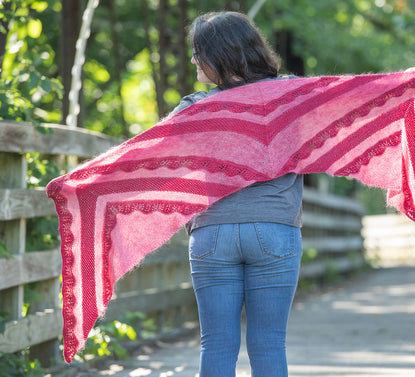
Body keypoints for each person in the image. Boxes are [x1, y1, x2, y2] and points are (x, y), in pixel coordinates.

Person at [169, 11, 303, 377]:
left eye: (199, 52)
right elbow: (346, 105)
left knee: (216, 344)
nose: (194, 60)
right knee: (270, 343)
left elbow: (148, 159)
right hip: (276, 230)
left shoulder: (192, 109)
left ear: (221, 56)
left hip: (213, 234)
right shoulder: (292, 95)